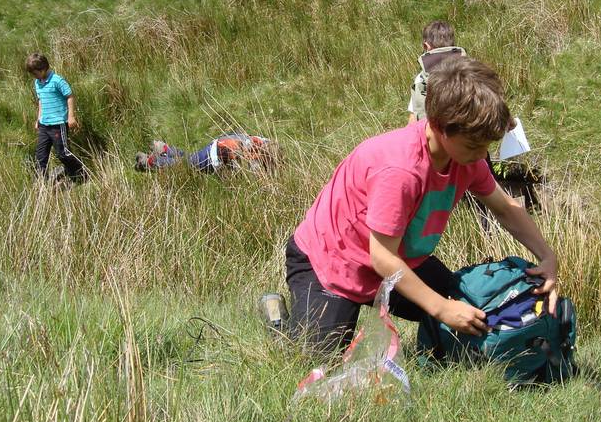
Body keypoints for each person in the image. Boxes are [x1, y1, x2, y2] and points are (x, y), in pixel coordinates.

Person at [287, 56, 559, 356]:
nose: (482, 154)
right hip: (334, 262)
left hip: (399, 257)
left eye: (486, 146)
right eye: (473, 146)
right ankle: (277, 319)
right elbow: (382, 258)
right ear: (441, 127)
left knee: (475, 314)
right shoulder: (400, 170)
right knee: (317, 357)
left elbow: (506, 208)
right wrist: (441, 308)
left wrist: (547, 257)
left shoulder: (465, 158)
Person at [25, 53, 85, 182]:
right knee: (40, 155)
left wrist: (71, 117)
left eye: (35, 73)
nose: (34, 76)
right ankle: (41, 182)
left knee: (63, 154)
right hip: (44, 125)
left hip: (58, 124)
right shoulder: (37, 82)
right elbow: (41, 101)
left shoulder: (57, 80)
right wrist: (38, 119)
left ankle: (81, 174)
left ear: (43, 69)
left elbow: (70, 96)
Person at [407, 20, 467, 124]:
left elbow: (414, 118)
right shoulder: (470, 69)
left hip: (434, 136)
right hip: (466, 133)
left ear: (426, 46)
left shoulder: (422, 78)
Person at [135, 134, 278, 174]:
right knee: (186, 166)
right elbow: (247, 168)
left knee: (191, 159)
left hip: (216, 145)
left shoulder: (259, 141)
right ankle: (150, 162)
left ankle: (165, 150)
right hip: (214, 157)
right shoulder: (254, 155)